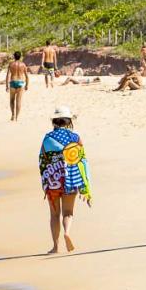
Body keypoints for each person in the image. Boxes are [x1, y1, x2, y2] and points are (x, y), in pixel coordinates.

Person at [39, 106, 91, 254]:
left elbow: (42, 160)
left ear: (54, 121)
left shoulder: (48, 138)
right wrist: (84, 184)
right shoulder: (75, 138)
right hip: (71, 179)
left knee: (54, 215)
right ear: (69, 121)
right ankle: (67, 232)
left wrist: (45, 182)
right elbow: (82, 160)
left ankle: (55, 247)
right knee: (68, 213)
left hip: (53, 180)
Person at [5, 51, 29, 121]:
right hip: (20, 83)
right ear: (20, 57)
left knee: (12, 100)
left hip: (13, 82)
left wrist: (6, 86)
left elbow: (8, 75)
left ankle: (12, 115)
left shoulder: (11, 64)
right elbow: (27, 76)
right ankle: (17, 117)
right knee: (18, 101)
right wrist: (27, 85)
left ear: (14, 56)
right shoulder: (23, 65)